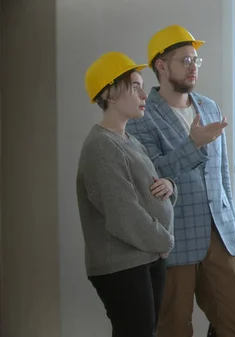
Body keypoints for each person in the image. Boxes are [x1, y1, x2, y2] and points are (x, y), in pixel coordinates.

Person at [125, 25, 235, 337]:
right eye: (185, 60)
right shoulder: (142, 115)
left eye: (196, 61)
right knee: (172, 328)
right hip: (173, 238)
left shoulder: (209, 107)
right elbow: (152, 173)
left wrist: (232, 231)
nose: (193, 67)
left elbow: (222, 174)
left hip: (220, 236)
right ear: (161, 65)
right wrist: (192, 145)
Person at [77, 51, 178, 337]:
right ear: (110, 93)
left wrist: (170, 186)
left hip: (146, 256)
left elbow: (149, 189)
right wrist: (164, 240)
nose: (144, 94)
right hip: (123, 264)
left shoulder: (127, 139)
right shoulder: (101, 147)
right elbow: (123, 213)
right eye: (135, 86)